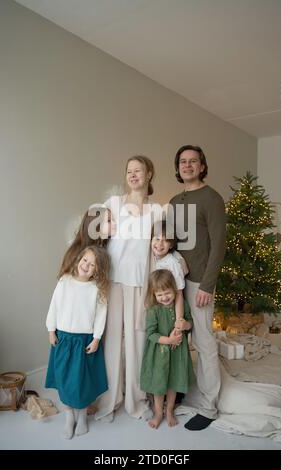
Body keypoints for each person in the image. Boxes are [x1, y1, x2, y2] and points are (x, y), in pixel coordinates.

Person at [95, 155, 157, 421]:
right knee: (110, 341)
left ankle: (136, 398)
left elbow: (157, 251)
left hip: (139, 281)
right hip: (112, 280)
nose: (133, 175)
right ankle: (109, 399)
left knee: (137, 339)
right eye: (129, 171)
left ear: (149, 174)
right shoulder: (113, 204)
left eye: (138, 170)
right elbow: (97, 237)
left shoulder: (157, 211)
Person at [169, 144, 226, 431]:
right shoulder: (175, 200)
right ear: (177, 168)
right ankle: (178, 390)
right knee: (178, 338)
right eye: (183, 161)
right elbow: (169, 243)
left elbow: (218, 246)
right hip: (175, 283)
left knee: (204, 343)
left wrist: (207, 284)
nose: (188, 165)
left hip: (199, 283)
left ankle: (209, 406)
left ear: (202, 166)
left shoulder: (212, 198)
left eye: (193, 161)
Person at [45, 246, 110, 439]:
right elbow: (54, 306)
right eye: (85, 261)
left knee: (82, 382)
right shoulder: (64, 281)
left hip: (85, 341)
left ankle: (81, 416)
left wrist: (97, 338)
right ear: (78, 260)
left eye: (92, 265)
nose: (87, 266)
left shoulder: (97, 289)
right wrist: (51, 330)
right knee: (65, 381)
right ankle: (69, 417)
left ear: (97, 270)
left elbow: (101, 315)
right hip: (64, 339)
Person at [140, 269, 194, 429]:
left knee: (173, 382)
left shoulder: (182, 305)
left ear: (174, 290)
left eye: (167, 293)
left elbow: (190, 323)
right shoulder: (153, 309)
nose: (164, 297)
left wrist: (185, 325)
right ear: (154, 295)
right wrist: (168, 339)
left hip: (177, 352)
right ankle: (158, 413)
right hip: (159, 353)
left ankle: (169, 410)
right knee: (159, 384)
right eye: (159, 294)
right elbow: (151, 334)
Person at [151, 219, 188, 330]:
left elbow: (179, 294)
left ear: (171, 245)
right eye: (157, 238)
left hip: (169, 310)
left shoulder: (173, 263)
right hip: (154, 310)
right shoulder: (149, 256)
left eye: (165, 241)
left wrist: (178, 321)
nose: (159, 244)